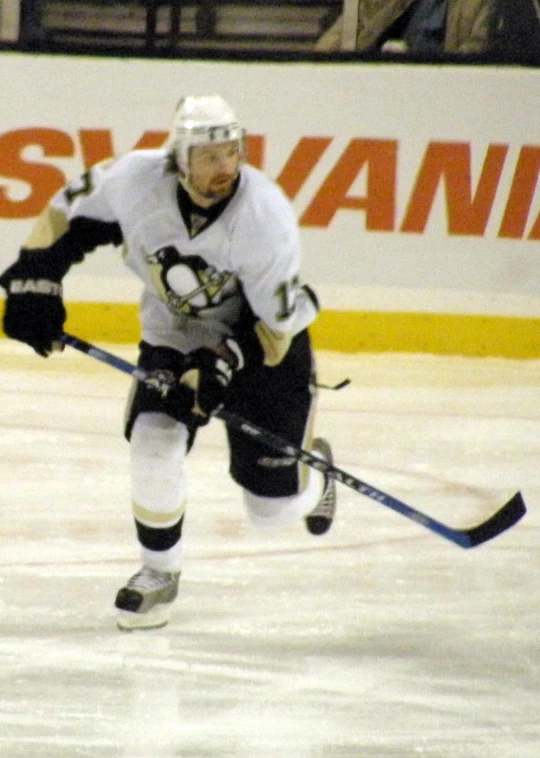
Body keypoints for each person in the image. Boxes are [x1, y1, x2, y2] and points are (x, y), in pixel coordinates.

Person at [0, 95, 337, 631]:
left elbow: (274, 325)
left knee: (271, 511)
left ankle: (314, 474)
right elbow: (69, 215)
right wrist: (36, 279)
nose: (225, 167)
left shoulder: (264, 215)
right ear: (179, 158)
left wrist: (221, 366)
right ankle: (159, 573)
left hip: (264, 346)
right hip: (175, 331)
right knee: (154, 441)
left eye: (232, 153)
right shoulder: (134, 179)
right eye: (209, 156)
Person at [315, 0, 495, 55]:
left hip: (441, 99)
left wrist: (415, 63)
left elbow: (478, 50)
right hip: (376, 92)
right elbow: (331, 44)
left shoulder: (480, 4)